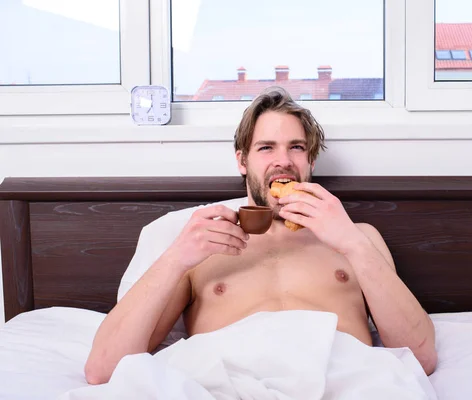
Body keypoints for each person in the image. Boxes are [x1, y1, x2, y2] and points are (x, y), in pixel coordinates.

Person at [84, 87, 437, 385]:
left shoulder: (359, 237)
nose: (283, 160)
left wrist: (352, 243)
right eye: (266, 148)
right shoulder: (201, 243)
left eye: (297, 147)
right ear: (242, 161)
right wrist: (176, 258)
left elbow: (420, 358)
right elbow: (103, 370)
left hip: (342, 384)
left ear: (311, 161)